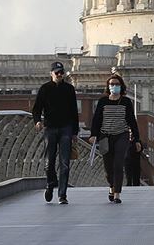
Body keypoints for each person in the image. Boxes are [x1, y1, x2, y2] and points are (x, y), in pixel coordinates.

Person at [88, 74, 140, 204]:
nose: (114, 86)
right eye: (112, 84)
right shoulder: (103, 101)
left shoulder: (126, 101)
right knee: (108, 167)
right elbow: (96, 119)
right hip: (105, 136)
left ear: (121, 86)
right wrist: (93, 134)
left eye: (117, 84)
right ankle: (111, 185)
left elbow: (132, 121)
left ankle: (117, 194)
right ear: (108, 86)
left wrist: (137, 139)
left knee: (118, 164)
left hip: (121, 135)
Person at [32, 62, 79, 205]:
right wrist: (37, 121)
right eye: (57, 72)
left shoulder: (69, 89)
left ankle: (62, 195)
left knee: (65, 163)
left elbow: (74, 111)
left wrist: (75, 132)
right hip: (50, 128)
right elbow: (37, 108)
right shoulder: (45, 88)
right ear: (51, 73)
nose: (59, 75)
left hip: (66, 128)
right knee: (49, 162)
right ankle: (50, 183)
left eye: (61, 72)